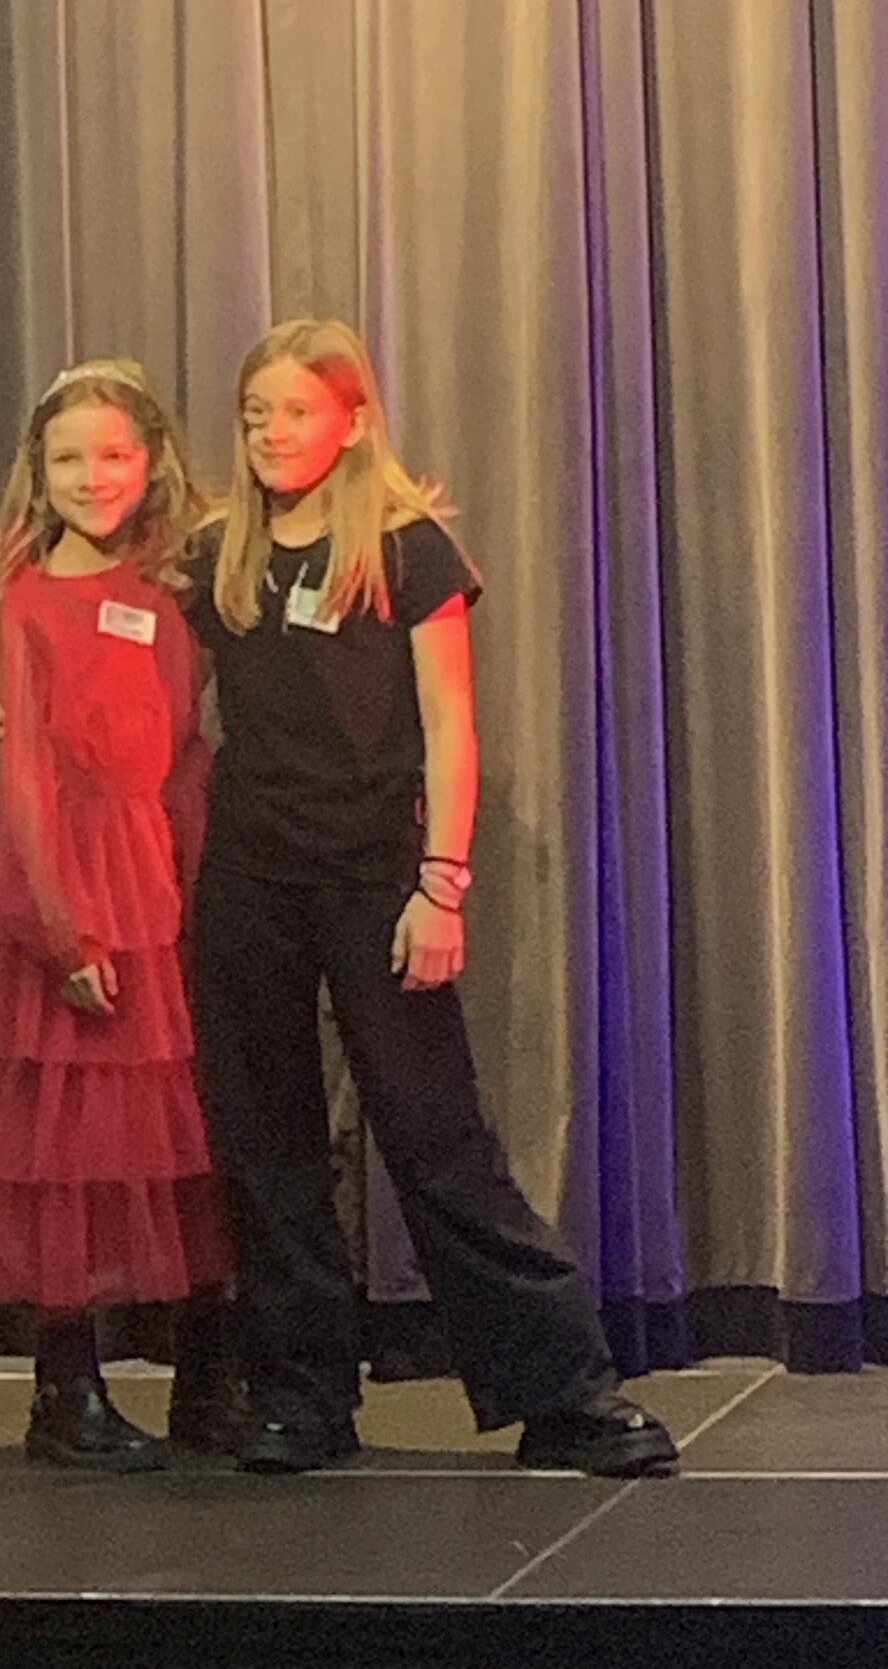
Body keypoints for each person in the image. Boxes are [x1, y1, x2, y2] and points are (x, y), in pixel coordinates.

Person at [181, 317, 678, 1476]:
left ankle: (563, 1396)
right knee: (267, 1145)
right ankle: (301, 1397)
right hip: (248, 879)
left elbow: (451, 727)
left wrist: (438, 885)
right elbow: (140, 689)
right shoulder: (217, 555)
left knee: (434, 1135)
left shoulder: (406, 550)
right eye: (254, 414)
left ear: (350, 421)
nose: (269, 433)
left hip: (375, 878)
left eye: (294, 411)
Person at [0, 357, 232, 1472]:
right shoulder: (20, 602)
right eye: (69, 458)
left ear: (150, 461)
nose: (93, 476)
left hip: (163, 886)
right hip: (74, 893)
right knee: (72, 1149)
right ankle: (64, 1392)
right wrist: (62, 929)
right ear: (38, 472)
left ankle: (208, 1382)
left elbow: (182, 745)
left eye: (114, 454)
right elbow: (25, 783)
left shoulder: (172, 593)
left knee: (187, 1137)